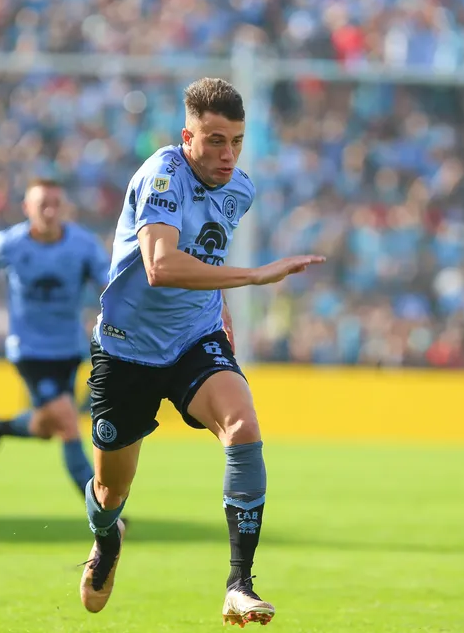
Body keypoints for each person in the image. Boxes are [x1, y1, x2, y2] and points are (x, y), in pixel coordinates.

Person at [78, 77, 324, 626]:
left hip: (194, 340)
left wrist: (225, 313)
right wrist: (255, 277)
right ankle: (107, 537)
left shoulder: (240, 189)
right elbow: (161, 266)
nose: (227, 154)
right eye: (214, 140)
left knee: (244, 425)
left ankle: (239, 583)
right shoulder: (163, 173)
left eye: (236, 140)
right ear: (187, 136)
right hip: (126, 350)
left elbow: (205, 256)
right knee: (110, 488)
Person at [0, 179, 110, 499]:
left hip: (69, 350)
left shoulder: (83, 246)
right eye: (42, 203)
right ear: (27, 208)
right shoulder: (12, 243)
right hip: (29, 349)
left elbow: (109, 285)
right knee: (69, 423)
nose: (49, 210)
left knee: (47, 427)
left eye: (56, 203)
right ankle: (102, 510)